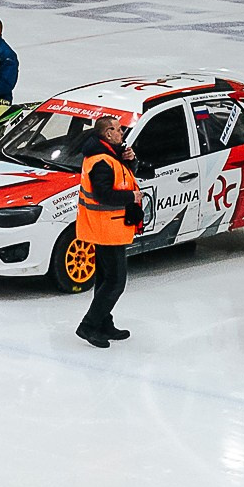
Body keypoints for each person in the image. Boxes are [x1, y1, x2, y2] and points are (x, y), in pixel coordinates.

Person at [73, 115, 143, 348]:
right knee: (115, 282)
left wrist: (130, 161)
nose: (122, 133)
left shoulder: (110, 154)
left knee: (105, 279)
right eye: (118, 130)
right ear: (108, 133)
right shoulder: (101, 160)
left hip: (108, 227)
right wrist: (131, 196)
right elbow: (104, 194)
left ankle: (104, 323)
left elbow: (123, 177)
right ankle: (88, 325)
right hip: (107, 228)